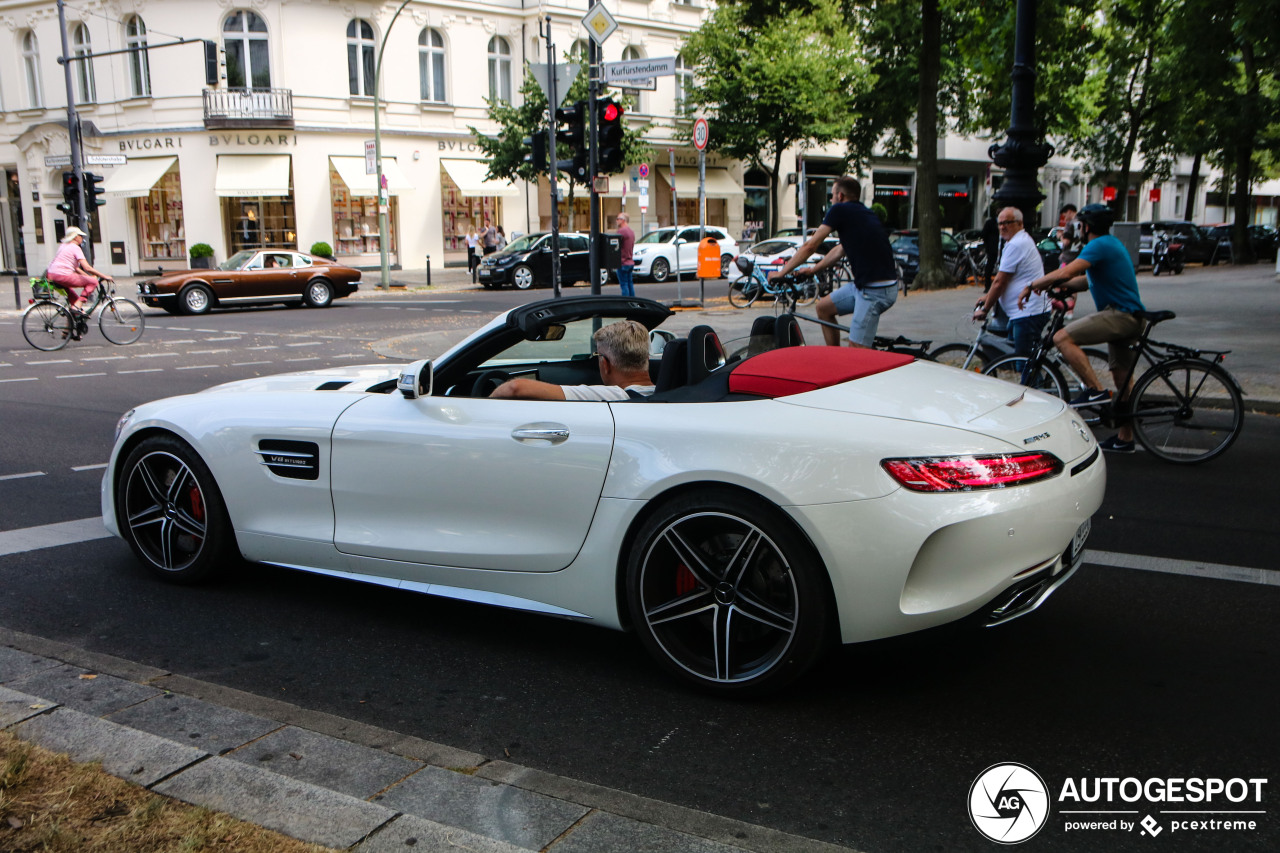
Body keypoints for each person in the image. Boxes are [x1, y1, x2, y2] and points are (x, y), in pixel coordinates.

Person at [1020, 203, 1145, 453]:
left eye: (1080, 224)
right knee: (1122, 380)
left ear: (1086, 226)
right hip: (1131, 317)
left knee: (1062, 337)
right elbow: (1086, 280)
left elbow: (1068, 272)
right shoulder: (1111, 244)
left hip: (1119, 316)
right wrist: (1061, 288)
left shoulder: (1097, 245)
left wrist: (1034, 284)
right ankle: (1125, 438)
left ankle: (1095, 390)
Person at [769, 176, 898, 347]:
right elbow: (840, 249)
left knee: (856, 351)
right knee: (823, 308)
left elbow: (810, 246)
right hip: (864, 286)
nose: (831, 199)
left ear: (841, 196)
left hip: (875, 292)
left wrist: (781, 273)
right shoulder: (863, 213)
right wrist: (813, 270)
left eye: (832, 195)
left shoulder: (840, 211)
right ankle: (835, 357)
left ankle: (856, 365)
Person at [491, 320, 655, 401]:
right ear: (646, 358)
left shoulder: (615, 395)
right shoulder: (665, 393)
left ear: (605, 364)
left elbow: (515, 387)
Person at [973, 208, 1050, 357]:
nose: (1002, 227)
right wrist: (987, 296)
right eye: (1000, 223)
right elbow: (1006, 280)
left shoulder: (1016, 244)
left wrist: (985, 309)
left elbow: (999, 282)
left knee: (1024, 362)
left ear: (1020, 223)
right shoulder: (1019, 240)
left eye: (1007, 223)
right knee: (1020, 359)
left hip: (1028, 313)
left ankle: (1040, 380)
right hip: (1024, 312)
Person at [47, 227, 113, 312]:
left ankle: (72, 319)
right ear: (75, 237)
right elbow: (87, 267)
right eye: (80, 236)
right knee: (93, 282)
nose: (82, 238)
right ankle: (77, 307)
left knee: (73, 298)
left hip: (51, 275)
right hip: (63, 275)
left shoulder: (63, 246)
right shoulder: (75, 247)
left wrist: (88, 277)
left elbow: (76, 268)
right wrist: (104, 276)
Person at [615, 213, 636, 297]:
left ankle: (626, 303)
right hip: (630, 261)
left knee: (624, 285)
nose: (616, 221)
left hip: (622, 262)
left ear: (623, 220)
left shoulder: (621, 231)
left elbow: (615, 247)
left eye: (618, 219)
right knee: (630, 284)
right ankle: (632, 303)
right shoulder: (631, 232)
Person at [980, 210, 1000, 291]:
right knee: (989, 267)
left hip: (1000, 248)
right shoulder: (990, 223)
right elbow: (984, 235)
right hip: (993, 249)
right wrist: (988, 246)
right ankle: (987, 286)